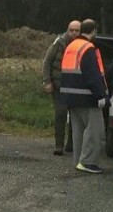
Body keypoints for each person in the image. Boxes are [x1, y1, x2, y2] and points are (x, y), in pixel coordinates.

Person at [59, 19, 108, 174]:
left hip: (70, 96)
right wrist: (101, 95)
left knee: (78, 130)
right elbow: (92, 75)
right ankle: (88, 162)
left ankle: (78, 160)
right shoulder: (88, 47)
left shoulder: (71, 46)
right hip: (87, 97)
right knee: (94, 130)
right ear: (93, 31)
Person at [42, 20, 81, 156]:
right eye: (72, 30)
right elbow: (47, 62)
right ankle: (59, 145)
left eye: (77, 30)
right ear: (67, 30)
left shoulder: (82, 46)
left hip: (75, 87)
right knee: (61, 114)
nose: (74, 33)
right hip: (58, 86)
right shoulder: (58, 43)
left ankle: (71, 144)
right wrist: (47, 81)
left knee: (75, 116)